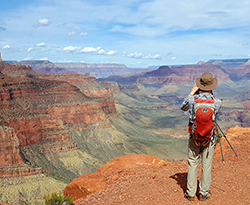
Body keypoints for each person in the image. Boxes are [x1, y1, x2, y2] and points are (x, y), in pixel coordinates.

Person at [181, 73, 222, 201]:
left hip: (195, 137)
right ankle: (203, 193)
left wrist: (192, 92)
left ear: (199, 85)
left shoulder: (192, 100)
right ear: (211, 86)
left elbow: (183, 108)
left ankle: (191, 193)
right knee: (206, 165)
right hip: (209, 138)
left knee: (193, 163)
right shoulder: (217, 102)